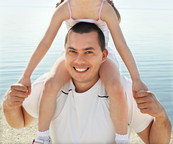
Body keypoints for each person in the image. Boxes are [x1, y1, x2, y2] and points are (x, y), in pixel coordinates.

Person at [17, 0, 148, 144]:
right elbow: (45, 43)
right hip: (73, 54)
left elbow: (121, 44)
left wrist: (136, 80)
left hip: (101, 56)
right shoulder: (64, 9)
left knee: (115, 86)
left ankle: (122, 139)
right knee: (51, 83)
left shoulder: (105, 9)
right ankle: (42, 137)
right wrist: (26, 75)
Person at [3, 22, 171, 144]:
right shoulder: (48, 87)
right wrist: (9, 105)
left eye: (88, 52)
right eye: (72, 51)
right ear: (64, 54)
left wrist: (161, 116)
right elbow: (20, 122)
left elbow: (155, 141)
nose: (79, 60)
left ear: (104, 56)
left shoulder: (123, 91)